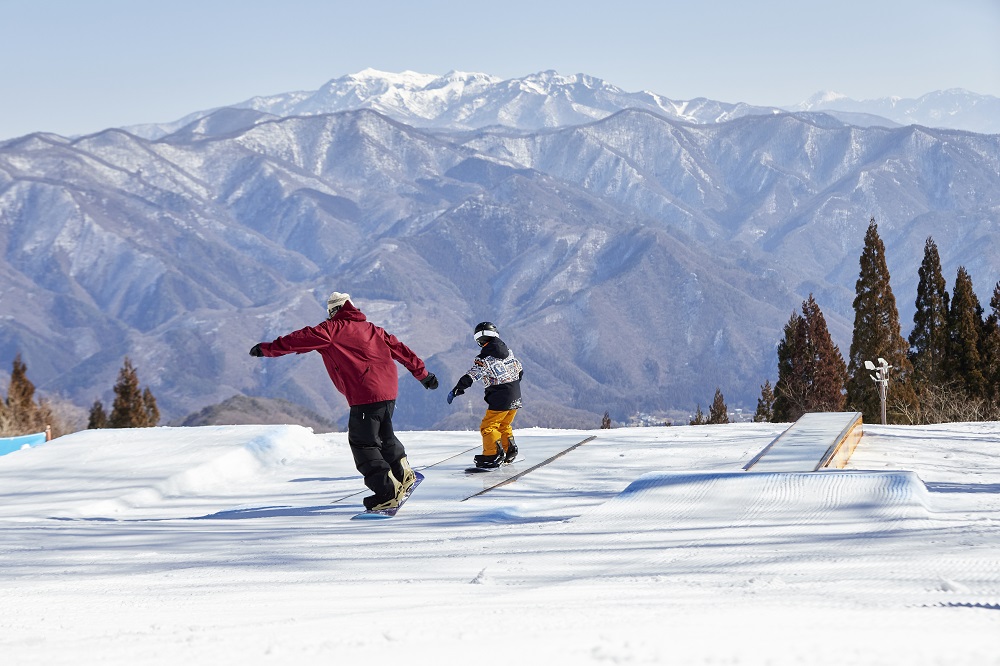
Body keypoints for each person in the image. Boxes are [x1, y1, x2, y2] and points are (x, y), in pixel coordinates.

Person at [249, 292, 438, 510]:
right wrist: (424, 375)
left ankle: (387, 492)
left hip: (365, 394)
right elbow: (401, 350)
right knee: (384, 434)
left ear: (333, 311)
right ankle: (403, 474)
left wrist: (266, 349)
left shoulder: (330, 330)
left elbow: (297, 340)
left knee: (363, 443)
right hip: (388, 391)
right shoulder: (373, 329)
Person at [447, 321, 523, 468]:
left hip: (500, 396)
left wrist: (457, 388)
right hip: (515, 394)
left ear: (480, 339)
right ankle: (509, 450)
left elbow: (472, 375)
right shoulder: (509, 353)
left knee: (488, 426)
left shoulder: (484, 359)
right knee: (504, 423)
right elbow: (519, 370)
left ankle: (492, 454)